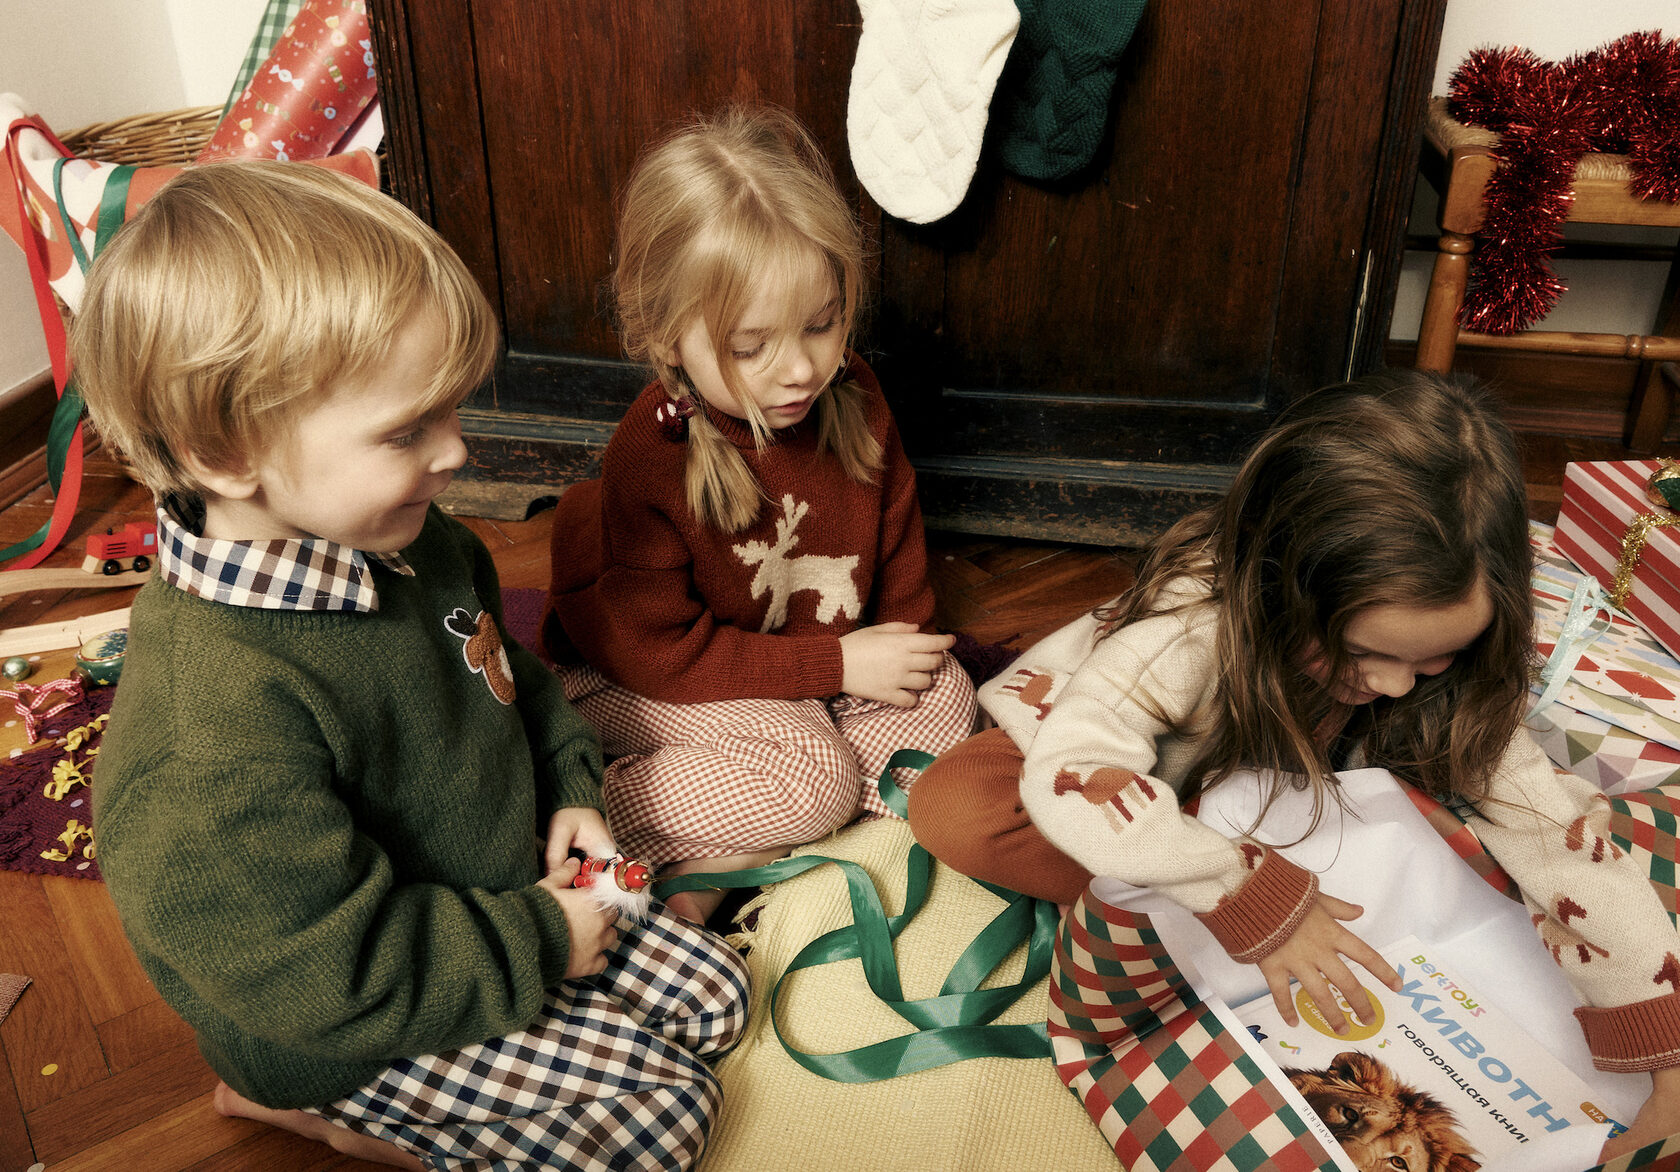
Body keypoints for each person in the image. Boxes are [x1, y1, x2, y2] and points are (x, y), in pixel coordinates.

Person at [74, 161, 749, 1172]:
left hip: (499, 900)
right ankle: (318, 1113)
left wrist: (570, 788)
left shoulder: (414, 541)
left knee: (719, 998)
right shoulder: (205, 734)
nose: (456, 452)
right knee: (670, 1114)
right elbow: (326, 976)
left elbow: (506, 676)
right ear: (223, 452)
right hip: (354, 1022)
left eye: (450, 411)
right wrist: (540, 940)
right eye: (406, 430)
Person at [907, 370, 1680, 1162]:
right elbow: (1074, 769)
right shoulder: (1192, 627)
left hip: (1278, 807)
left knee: (1538, 838)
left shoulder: (1449, 675)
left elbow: (1556, 841)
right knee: (961, 806)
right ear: (1276, 586)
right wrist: (1239, 893)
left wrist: (1668, 1061)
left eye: (1434, 658)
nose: (1394, 685)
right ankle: (1199, 880)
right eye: (1363, 652)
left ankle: (1221, 877)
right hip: (1138, 766)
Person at [541, 105, 977, 925]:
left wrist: (878, 672)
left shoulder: (855, 395)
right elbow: (662, 658)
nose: (802, 368)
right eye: (751, 348)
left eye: (823, 324)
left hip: (795, 676)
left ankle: (734, 849)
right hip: (641, 679)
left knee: (947, 705)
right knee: (813, 776)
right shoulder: (654, 453)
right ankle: (584, 812)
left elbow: (902, 590)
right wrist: (832, 672)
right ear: (668, 339)